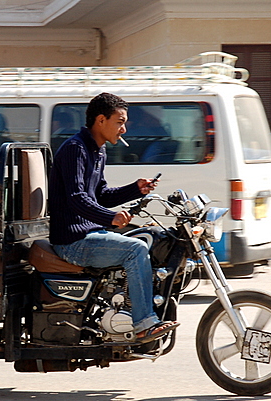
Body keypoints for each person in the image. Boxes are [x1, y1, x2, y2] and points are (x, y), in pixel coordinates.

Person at [49, 92, 179, 342]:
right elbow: (77, 198)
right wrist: (110, 218)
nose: (124, 129)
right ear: (101, 120)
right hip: (72, 241)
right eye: (120, 121)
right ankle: (144, 325)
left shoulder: (98, 151)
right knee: (135, 250)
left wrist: (135, 188)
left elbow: (100, 195)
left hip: (90, 233)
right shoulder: (76, 149)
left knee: (148, 239)